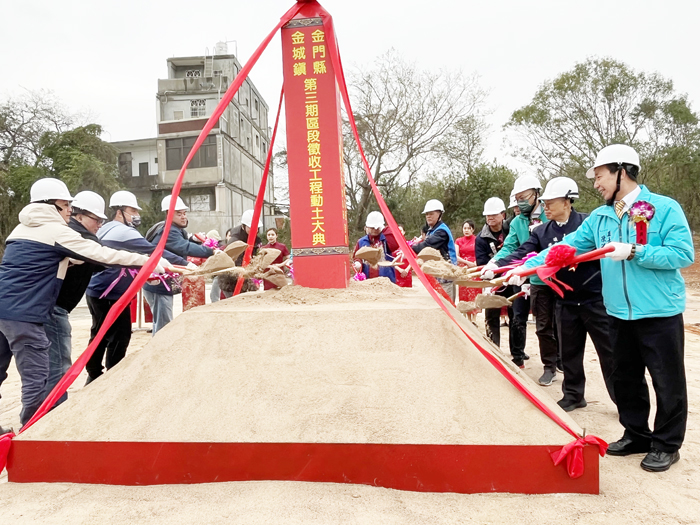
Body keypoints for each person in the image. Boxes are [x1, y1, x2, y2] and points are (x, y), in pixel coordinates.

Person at [512, 145, 693, 472]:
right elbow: (564, 251)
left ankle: (667, 444)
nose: (596, 184)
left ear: (622, 171)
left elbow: (682, 254)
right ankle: (637, 433)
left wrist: (636, 251)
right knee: (624, 378)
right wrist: (521, 269)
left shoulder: (663, 208)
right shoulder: (601, 217)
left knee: (667, 380)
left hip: (659, 312)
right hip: (618, 313)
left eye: (600, 176)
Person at [0, 180, 167, 427]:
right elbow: (103, 254)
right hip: (26, 315)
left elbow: (45, 260)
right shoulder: (57, 231)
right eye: (65, 204)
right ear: (50, 205)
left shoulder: (21, 229)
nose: (70, 209)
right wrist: (147, 263)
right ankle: (33, 433)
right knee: (38, 377)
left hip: (4, 310)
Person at [486, 178, 616, 407]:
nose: (545, 207)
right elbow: (524, 251)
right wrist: (499, 265)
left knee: (609, 351)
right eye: (544, 202)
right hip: (564, 300)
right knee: (569, 351)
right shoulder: (542, 231)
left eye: (551, 202)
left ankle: (621, 399)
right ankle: (574, 395)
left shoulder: (587, 224)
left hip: (593, 298)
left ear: (567, 202)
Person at [85, 191, 189, 383]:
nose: (136, 215)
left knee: (100, 333)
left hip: (96, 290)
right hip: (110, 292)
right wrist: (187, 265)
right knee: (119, 336)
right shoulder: (124, 231)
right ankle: (109, 377)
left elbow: (125, 260)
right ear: (119, 211)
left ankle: (94, 374)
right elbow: (155, 251)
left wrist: (147, 275)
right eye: (132, 210)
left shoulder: (106, 228)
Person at [42, 191, 108, 407]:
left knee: (39, 366)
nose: (99, 224)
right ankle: (53, 413)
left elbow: (96, 264)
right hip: (54, 309)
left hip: (38, 308)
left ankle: (39, 414)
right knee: (59, 366)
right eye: (96, 219)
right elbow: (102, 257)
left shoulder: (61, 234)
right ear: (78, 216)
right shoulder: (78, 237)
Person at [143, 195, 214, 333]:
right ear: (169, 214)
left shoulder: (173, 229)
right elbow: (183, 247)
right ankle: (160, 352)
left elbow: (182, 245)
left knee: (162, 322)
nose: (183, 217)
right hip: (158, 284)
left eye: (184, 213)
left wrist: (193, 240)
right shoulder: (169, 230)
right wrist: (210, 251)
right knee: (163, 326)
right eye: (178, 213)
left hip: (159, 282)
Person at [474, 197, 528, 366]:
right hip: (493, 280)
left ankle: (517, 354)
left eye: (494, 215)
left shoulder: (511, 229)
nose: (490, 218)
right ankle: (494, 350)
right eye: (487, 215)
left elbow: (518, 250)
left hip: (514, 277)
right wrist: (489, 280)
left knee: (517, 316)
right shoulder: (481, 239)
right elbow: (481, 262)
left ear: (503, 214)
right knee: (491, 316)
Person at [411, 199, 457, 299]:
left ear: (439, 214)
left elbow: (427, 246)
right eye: (427, 214)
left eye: (431, 214)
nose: (428, 216)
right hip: (436, 273)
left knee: (447, 305)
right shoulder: (432, 230)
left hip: (445, 274)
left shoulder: (441, 231)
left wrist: (410, 248)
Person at [353, 211, 396, 283]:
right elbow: (357, 256)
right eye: (372, 228)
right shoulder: (361, 241)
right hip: (368, 279)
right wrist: (358, 263)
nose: (375, 230)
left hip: (386, 279)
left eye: (377, 228)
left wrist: (384, 229)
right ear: (367, 227)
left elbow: (395, 245)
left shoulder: (387, 238)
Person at [455, 219, 479, 322]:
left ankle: (474, 319)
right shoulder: (458, 241)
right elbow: (456, 256)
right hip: (464, 268)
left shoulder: (478, 240)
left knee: (474, 292)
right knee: (464, 292)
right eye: (465, 228)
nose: (466, 230)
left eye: (469, 228)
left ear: (473, 229)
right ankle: (468, 319)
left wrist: (475, 263)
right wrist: (467, 263)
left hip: (475, 268)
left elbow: (480, 253)